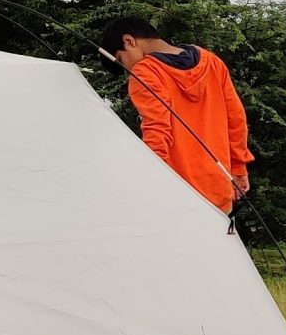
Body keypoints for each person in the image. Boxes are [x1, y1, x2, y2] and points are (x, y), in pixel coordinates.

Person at [98, 18, 252, 214]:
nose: (127, 70)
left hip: (178, 196)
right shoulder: (211, 61)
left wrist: (153, 184)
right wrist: (239, 168)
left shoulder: (144, 73)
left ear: (129, 41)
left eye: (121, 60)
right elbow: (236, 119)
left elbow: (157, 131)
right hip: (219, 192)